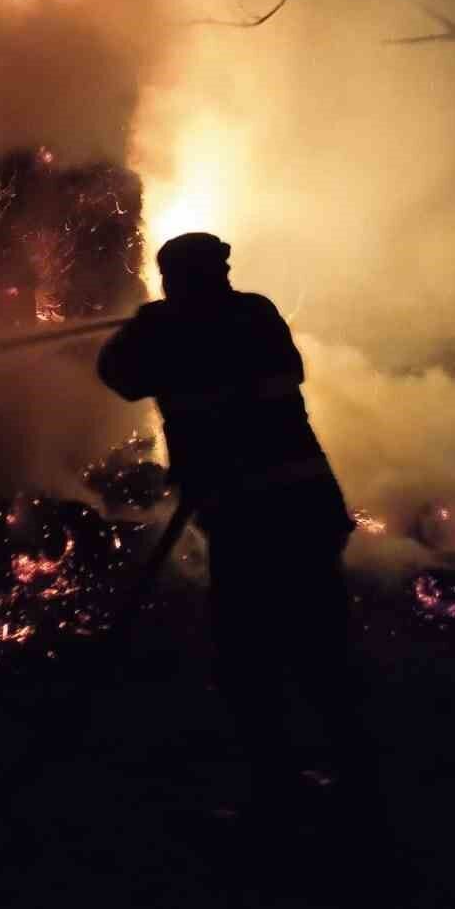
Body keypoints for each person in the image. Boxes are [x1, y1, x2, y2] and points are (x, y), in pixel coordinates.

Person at [96, 231, 373, 822]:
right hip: (307, 508)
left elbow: (117, 375)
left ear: (173, 279)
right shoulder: (256, 314)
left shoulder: (169, 331)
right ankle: (355, 779)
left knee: (247, 657)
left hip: (248, 517)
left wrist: (145, 323)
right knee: (321, 645)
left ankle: (278, 790)